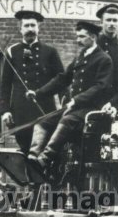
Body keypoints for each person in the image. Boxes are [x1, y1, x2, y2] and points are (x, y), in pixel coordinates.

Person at [27, 21, 113, 172]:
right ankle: (33, 157)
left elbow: (101, 86)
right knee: (42, 121)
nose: (78, 40)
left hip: (90, 109)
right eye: (77, 36)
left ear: (92, 37)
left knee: (67, 120)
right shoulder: (81, 56)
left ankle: (45, 159)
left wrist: (77, 100)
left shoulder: (103, 59)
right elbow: (63, 78)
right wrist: (38, 93)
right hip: (75, 107)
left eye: (81, 37)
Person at [0, 10, 65, 153]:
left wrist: (66, 106)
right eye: (27, 25)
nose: (30, 29)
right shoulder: (12, 51)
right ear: (20, 29)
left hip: (45, 111)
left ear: (38, 28)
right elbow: (5, 84)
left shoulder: (50, 52)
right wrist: (5, 111)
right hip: (21, 112)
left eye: (33, 25)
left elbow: (62, 81)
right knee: (25, 151)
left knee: (44, 152)